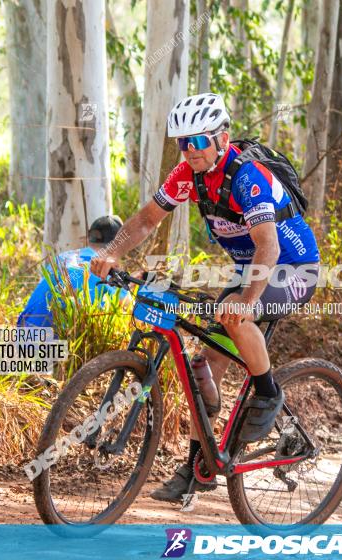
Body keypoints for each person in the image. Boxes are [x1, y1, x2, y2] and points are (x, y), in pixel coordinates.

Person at [89, 92, 321, 502]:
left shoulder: (247, 177)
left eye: (198, 141)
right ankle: (199, 468)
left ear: (222, 137)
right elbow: (146, 220)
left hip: (291, 268)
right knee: (202, 368)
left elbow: (267, 246)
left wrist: (246, 300)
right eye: (182, 142)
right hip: (251, 268)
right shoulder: (187, 174)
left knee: (236, 317)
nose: (190, 150)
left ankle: (268, 394)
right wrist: (111, 252)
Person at [18, 216, 128, 329]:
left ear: (88, 238)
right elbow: (129, 307)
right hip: (55, 344)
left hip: (23, 336)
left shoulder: (61, 258)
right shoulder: (105, 268)